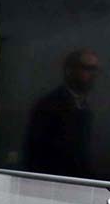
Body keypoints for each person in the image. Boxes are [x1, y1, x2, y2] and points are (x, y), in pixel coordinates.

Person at [23, 49, 100, 177]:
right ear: (70, 71)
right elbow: (36, 154)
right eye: (87, 68)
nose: (93, 74)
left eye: (95, 70)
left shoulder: (85, 107)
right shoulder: (48, 105)